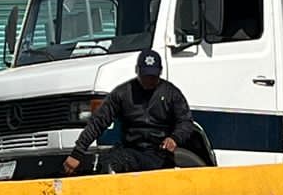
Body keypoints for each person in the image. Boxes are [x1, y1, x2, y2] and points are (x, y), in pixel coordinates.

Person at [62, 49, 195, 175]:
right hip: (131, 150)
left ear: (160, 72)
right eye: (145, 76)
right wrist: (77, 153)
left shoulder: (171, 93)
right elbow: (98, 122)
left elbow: (186, 122)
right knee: (109, 163)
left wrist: (174, 138)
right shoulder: (122, 93)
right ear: (137, 71)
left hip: (159, 153)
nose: (149, 81)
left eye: (152, 77)